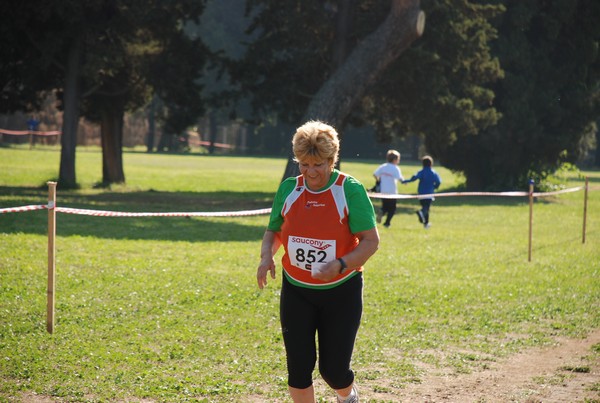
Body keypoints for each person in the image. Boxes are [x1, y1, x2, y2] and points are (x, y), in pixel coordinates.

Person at [257, 120, 380, 403]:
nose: (310, 172)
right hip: (297, 290)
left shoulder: (349, 189)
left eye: (318, 165)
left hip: (341, 292)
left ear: (331, 160)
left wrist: (340, 264)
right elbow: (274, 231)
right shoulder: (290, 189)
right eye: (303, 164)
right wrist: (266, 257)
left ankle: (348, 395)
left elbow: (371, 242)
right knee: (298, 369)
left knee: (334, 371)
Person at [402, 155, 442, 229]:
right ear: (431, 164)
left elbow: (414, 177)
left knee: (425, 207)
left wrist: (406, 181)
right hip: (429, 193)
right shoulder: (433, 172)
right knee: (426, 208)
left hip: (421, 193)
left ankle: (426, 224)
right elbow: (438, 181)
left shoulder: (421, 172)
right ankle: (421, 213)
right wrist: (435, 187)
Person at [372, 149, 403, 228]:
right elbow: (400, 178)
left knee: (385, 206)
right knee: (392, 209)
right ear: (395, 160)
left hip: (383, 191)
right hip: (392, 191)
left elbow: (375, 174)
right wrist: (405, 182)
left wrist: (378, 181)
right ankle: (387, 223)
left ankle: (382, 211)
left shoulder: (383, 166)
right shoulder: (395, 168)